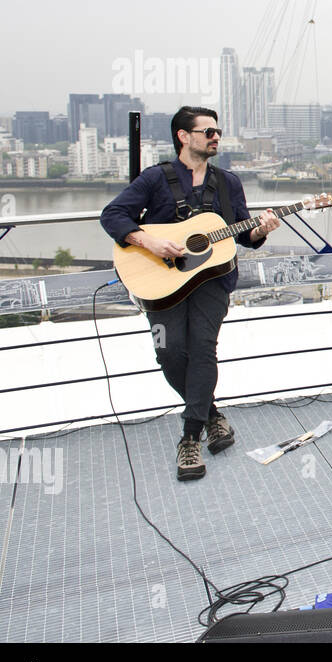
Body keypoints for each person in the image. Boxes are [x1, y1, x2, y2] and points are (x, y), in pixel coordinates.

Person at [101, 106, 281, 481]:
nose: (216, 137)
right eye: (208, 131)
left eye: (218, 131)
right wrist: (147, 240)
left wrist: (262, 229)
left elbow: (243, 236)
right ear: (184, 136)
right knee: (168, 353)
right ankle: (212, 414)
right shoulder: (155, 178)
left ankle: (190, 437)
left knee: (202, 348)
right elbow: (113, 215)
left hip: (211, 284)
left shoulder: (228, 182)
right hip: (161, 285)